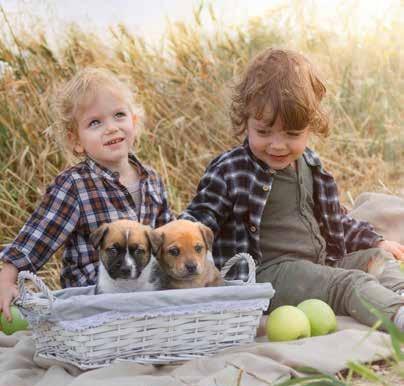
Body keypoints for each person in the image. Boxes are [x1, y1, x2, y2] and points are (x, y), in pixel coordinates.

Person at [181, 48, 404, 331]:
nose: (277, 145)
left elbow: (336, 219)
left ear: (310, 126)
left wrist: (374, 240)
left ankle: (399, 295)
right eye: (263, 132)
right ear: (245, 120)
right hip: (267, 275)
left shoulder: (309, 163)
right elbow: (199, 220)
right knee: (351, 285)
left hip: (320, 265)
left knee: (379, 259)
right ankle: (396, 316)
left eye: (292, 134)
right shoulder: (231, 169)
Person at [0, 67, 174, 319]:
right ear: (76, 141)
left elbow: (166, 238)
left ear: (134, 122)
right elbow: (35, 239)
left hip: (144, 298)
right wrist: (6, 280)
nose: (111, 128)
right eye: (95, 122)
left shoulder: (153, 180)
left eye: (119, 115)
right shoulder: (74, 185)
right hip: (92, 305)